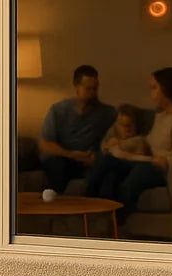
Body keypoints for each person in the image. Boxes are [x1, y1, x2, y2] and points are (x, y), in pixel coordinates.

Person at [86, 67, 172, 214]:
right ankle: (87, 208)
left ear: (167, 89)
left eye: (154, 88)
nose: (151, 93)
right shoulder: (160, 117)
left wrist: (161, 158)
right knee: (109, 163)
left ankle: (117, 220)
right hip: (147, 160)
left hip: (162, 169)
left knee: (140, 171)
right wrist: (118, 144)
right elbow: (146, 141)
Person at [37, 65, 117, 197]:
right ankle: (55, 210)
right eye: (88, 89)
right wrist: (71, 154)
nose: (92, 93)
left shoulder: (107, 113)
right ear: (76, 86)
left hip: (88, 161)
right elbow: (45, 144)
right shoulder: (58, 110)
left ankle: (99, 212)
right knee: (56, 166)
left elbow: (116, 139)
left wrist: (97, 156)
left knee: (108, 170)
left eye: (95, 89)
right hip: (63, 158)